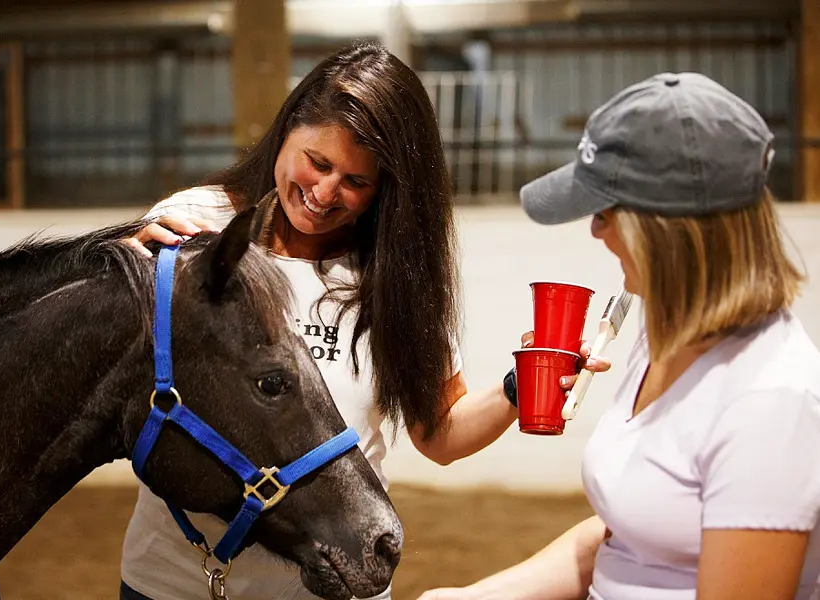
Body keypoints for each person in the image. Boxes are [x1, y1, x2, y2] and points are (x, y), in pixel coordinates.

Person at [119, 42, 609, 600]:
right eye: (318, 162)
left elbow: (440, 432)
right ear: (286, 131)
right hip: (171, 582)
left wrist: (520, 386)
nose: (325, 193)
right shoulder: (196, 225)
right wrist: (121, 277)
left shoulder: (394, 278)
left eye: (355, 182)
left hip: (333, 584)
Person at [418, 72, 820, 600]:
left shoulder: (770, 402)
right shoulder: (663, 337)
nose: (595, 231)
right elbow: (621, 541)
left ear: (671, 228)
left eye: (607, 213)